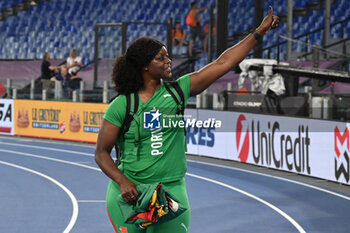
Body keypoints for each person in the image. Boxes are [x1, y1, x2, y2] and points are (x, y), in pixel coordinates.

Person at [95, 7, 279, 233]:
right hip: (131, 193)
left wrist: (258, 32)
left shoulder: (178, 92)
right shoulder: (122, 105)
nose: (168, 60)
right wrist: (122, 182)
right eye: (160, 58)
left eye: (167, 56)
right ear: (144, 66)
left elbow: (223, 63)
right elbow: (101, 152)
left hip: (170, 191)